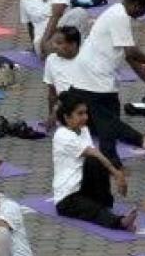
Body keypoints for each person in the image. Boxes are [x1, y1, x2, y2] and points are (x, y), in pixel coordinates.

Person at [66, 0, 145, 167]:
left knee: (107, 122)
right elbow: (131, 51)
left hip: (88, 75)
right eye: (144, 8)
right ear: (134, 4)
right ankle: (115, 162)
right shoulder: (120, 17)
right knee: (108, 122)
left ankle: (133, 146)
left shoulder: (117, 13)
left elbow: (129, 56)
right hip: (95, 78)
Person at [51, 92, 139, 231]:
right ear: (67, 117)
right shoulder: (62, 135)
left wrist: (116, 173)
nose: (85, 117)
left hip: (83, 187)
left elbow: (97, 156)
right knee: (94, 211)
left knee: (95, 162)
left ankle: (104, 202)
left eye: (85, 113)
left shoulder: (83, 130)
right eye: (79, 114)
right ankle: (120, 222)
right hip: (67, 198)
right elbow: (94, 153)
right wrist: (117, 174)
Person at [21, 0, 86, 58]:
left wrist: (45, 39)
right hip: (45, 43)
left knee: (79, 13)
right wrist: (37, 45)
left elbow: (57, 14)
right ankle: (75, 50)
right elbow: (30, 25)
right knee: (79, 13)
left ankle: (74, 49)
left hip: (58, 35)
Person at [42, 26, 83, 128]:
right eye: (54, 42)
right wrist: (51, 116)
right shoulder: (51, 60)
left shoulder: (85, 61)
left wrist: (56, 112)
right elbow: (52, 92)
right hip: (63, 110)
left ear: (73, 45)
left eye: (59, 43)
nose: (54, 46)